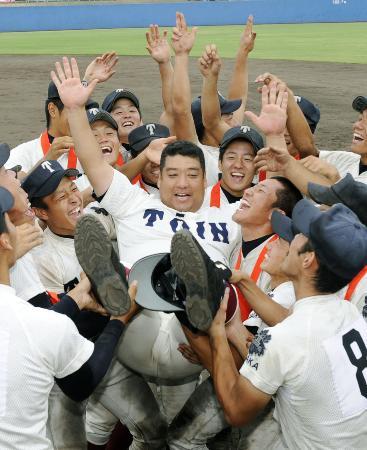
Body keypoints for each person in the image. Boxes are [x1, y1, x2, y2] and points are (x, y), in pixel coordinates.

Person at [206, 199, 367, 448]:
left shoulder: (282, 340)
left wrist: (216, 331)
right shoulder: (348, 313)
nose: (293, 238)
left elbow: (236, 411)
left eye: (301, 234)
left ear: (307, 260)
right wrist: (244, 281)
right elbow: (294, 325)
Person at [0, 185, 141, 449]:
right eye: (8, 221)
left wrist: (76, 296)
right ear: (6, 241)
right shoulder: (37, 323)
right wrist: (118, 321)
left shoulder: (37, 322)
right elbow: (82, 383)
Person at [203, 125, 263, 208]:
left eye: (247, 159)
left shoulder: (266, 204)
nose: (238, 165)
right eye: (231, 157)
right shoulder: (201, 202)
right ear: (220, 163)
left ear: (257, 168)